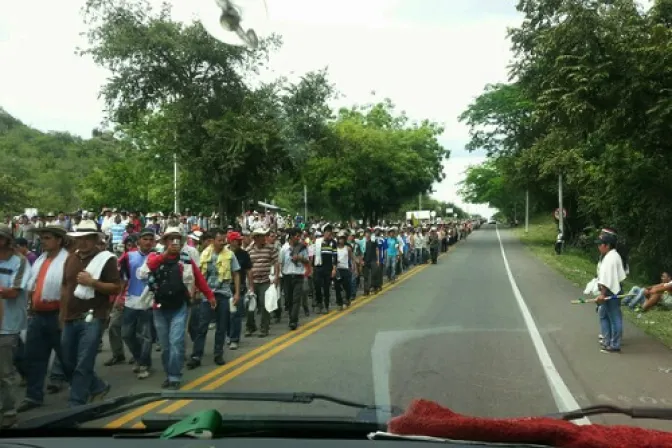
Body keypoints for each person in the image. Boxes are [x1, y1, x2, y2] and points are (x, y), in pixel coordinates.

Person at [595, 231, 627, 353]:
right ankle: (607, 340)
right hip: (612, 290)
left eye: (600, 244)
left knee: (614, 318)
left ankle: (614, 345)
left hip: (610, 292)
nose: (598, 246)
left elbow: (607, 279)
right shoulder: (611, 256)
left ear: (607, 245)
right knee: (604, 315)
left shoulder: (611, 258)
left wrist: (602, 294)